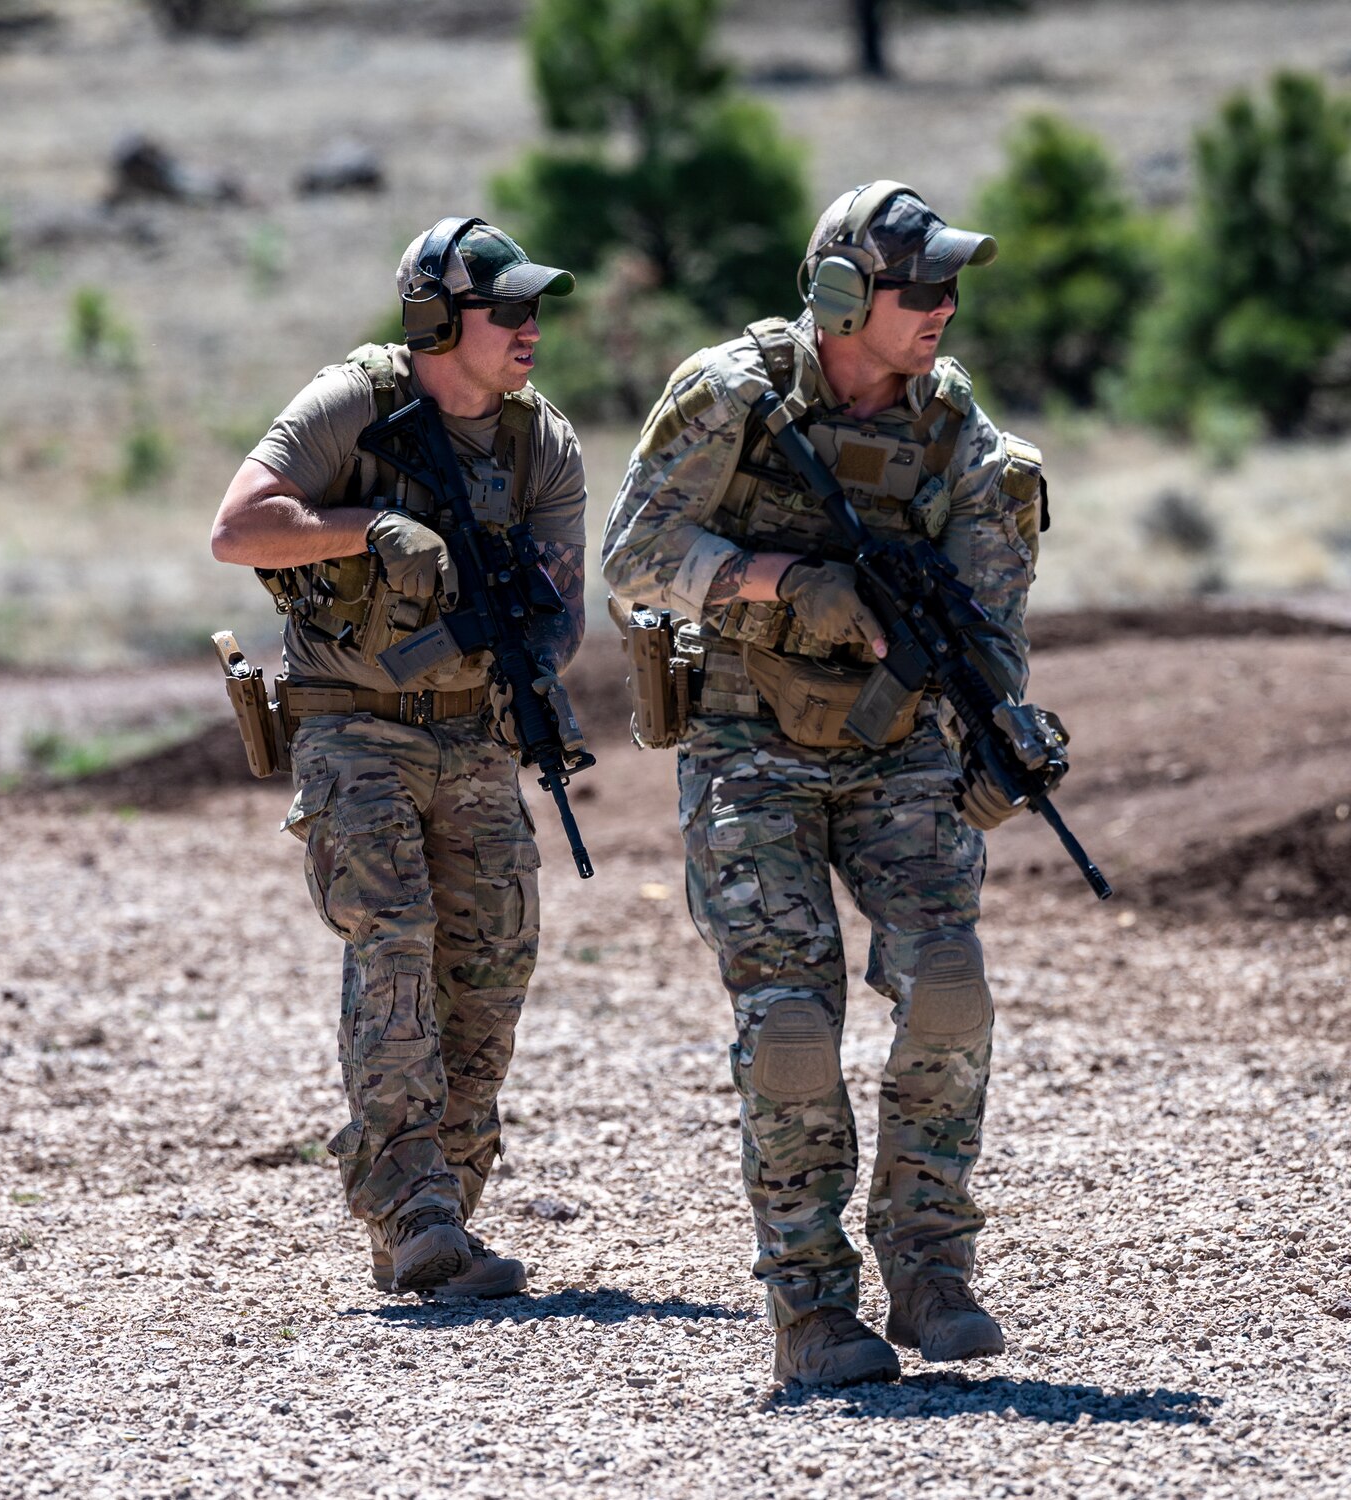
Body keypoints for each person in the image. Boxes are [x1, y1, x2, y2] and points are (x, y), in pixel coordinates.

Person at [601, 183, 1051, 1384]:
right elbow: (632, 558)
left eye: (951, 286)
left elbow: (987, 611)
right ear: (844, 295)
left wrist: (998, 728)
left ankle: (928, 1262)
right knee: (791, 1023)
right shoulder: (730, 395)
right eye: (918, 289)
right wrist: (775, 582)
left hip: (898, 746)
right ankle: (809, 1303)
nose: (942, 307)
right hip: (748, 745)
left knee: (947, 985)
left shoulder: (953, 427)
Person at [209, 218, 588, 1297]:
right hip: (353, 727)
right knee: (395, 949)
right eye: (504, 309)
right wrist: (366, 528)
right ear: (434, 321)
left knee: (493, 966)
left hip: (474, 734)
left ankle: (440, 1209)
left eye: (532, 308)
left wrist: (522, 653)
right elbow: (237, 531)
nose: (527, 328)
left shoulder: (536, 440)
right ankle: (410, 1203)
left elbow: (560, 610)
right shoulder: (350, 405)